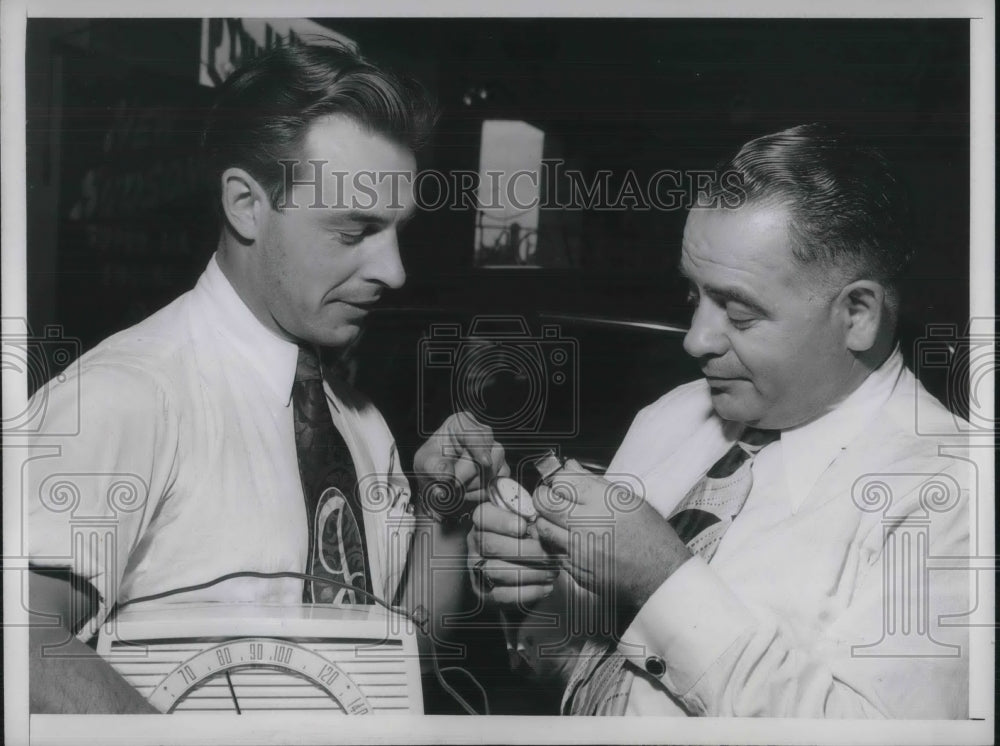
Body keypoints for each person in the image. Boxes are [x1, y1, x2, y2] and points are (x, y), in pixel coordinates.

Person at [26, 42, 508, 713]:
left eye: (398, 233)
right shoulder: (125, 395)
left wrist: (445, 518)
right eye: (355, 231)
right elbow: (22, 642)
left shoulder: (358, 423)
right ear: (246, 205)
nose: (394, 271)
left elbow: (396, 665)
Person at [468, 124, 971, 718]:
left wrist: (662, 580)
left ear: (857, 314)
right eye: (693, 297)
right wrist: (542, 589)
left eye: (739, 312)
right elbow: (570, 673)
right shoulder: (671, 416)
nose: (696, 340)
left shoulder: (951, 493)